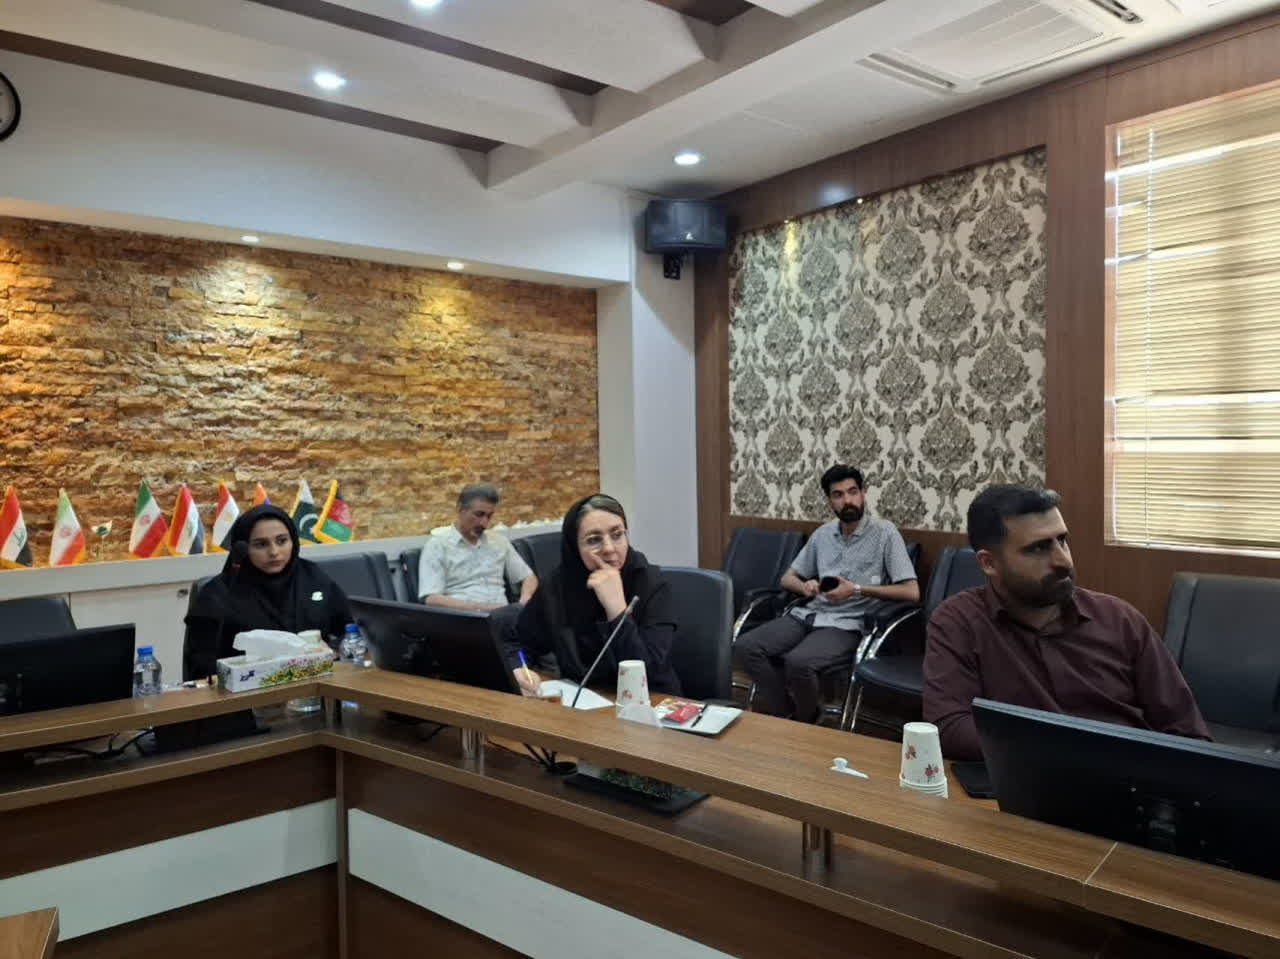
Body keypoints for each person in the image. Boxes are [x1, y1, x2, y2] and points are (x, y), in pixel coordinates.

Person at [923, 484, 1211, 760]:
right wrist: (1071, 752)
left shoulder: (1121, 620)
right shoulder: (959, 621)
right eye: (1039, 548)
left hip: (1128, 781)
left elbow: (1188, 734)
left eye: (1062, 540)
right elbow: (949, 727)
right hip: (1022, 783)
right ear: (989, 563)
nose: (1062, 561)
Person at [739, 465, 919, 723]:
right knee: (747, 647)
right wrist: (804, 587)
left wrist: (856, 589)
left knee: (799, 662)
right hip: (810, 613)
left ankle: (806, 723)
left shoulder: (885, 533)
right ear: (830, 502)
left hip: (848, 623)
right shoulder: (823, 534)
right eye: (838, 495)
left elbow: (911, 592)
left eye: (852, 492)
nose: (847, 500)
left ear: (863, 494)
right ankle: (787, 713)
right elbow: (787, 578)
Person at [504, 493, 681, 696]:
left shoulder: (652, 584)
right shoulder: (557, 586)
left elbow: (647, 674)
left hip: (651, 702)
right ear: (574, 546)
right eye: (594, 540)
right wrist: (519, 668)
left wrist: (617, 611)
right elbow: (518, 644)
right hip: (580, 702)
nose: (609, 548)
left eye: (617, 535)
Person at [183, 504, 353, 680]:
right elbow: (201, 669)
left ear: (293, 541)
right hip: (246, 691)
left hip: (317, 683)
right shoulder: (218, 594)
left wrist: (333, 651)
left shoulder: (314, 578)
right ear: (242, 548)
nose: (274, 552)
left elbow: (350, 634)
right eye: (261, 544)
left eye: (282, 541)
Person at [418, 483, 537, 611]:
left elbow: (529, 577)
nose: (484, 523)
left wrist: (525, 600)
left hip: (504, 615)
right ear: (460, 510)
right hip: (464, 616)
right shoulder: (437, 546)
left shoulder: (499, 541)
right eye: (479, 514)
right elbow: (431, 599)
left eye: (489, 516)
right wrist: (483, 608)